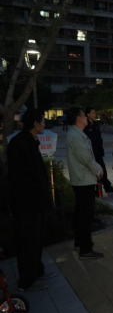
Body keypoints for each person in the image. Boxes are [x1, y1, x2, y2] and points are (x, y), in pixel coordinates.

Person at [7, 109, 55, 291]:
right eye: (43, 121)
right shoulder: (19, 143)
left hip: (36, 202)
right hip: (26, 204)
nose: (44, 124)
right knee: (28, 241)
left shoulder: (31, 141)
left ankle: (37, 271)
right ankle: (26, 281)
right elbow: (20, 177)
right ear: (35, 124)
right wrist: (37, 195)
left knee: (37, 239)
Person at [66, 107, 104, 260]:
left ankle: (80, 242)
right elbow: (86, 157)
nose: (86, 117)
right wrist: (98, 169)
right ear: (78, 118)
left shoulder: (76, 134)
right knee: (85, 215)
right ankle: (86, 249)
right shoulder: (75, 136)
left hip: (82, 179)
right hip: (83, 180)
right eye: (83, 115)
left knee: (81, 213)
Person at [83, 107, 113, 194]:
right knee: (92, 170)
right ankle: (94, 188)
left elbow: (99, 138)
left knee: (102, 169)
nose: (95, 114)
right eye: (93, 113)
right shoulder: (85, 125)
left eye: (95, 113)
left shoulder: (95, 124)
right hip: (90, 152)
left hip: (98, 152)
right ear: (88, 114)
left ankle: (107, 186)